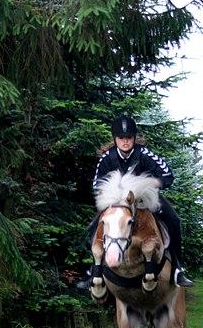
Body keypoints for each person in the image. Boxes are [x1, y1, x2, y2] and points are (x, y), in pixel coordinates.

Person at [83, 115, 194, 288]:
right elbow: (96, 183)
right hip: (118, 202)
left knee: (174, 220)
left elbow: (167, 175)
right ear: (115, 139)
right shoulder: (107, 157)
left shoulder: (144, 153)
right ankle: (92, 271)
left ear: (134, 138)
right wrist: (114, 192)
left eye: (129, 138)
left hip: (145, 199)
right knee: (93, 226)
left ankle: (177, 269)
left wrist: (149, 185)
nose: (125, 142)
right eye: (121, 138)